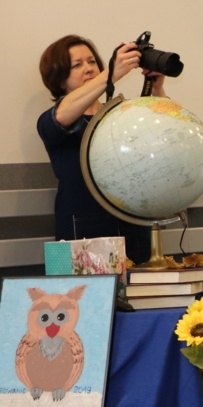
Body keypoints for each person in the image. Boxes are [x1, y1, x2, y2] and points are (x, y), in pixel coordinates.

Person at [37, 35, 164, 264]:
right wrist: (111, 74)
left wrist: (157, 90)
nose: (88, 68)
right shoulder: (50, 121)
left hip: (134, 230)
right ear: (59, 79)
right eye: (77, 65)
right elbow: (61, 115)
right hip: (79, 235)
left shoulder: (121, 115)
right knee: (77, 288)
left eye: (92, 61)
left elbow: (164, 139)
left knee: (140, 285)